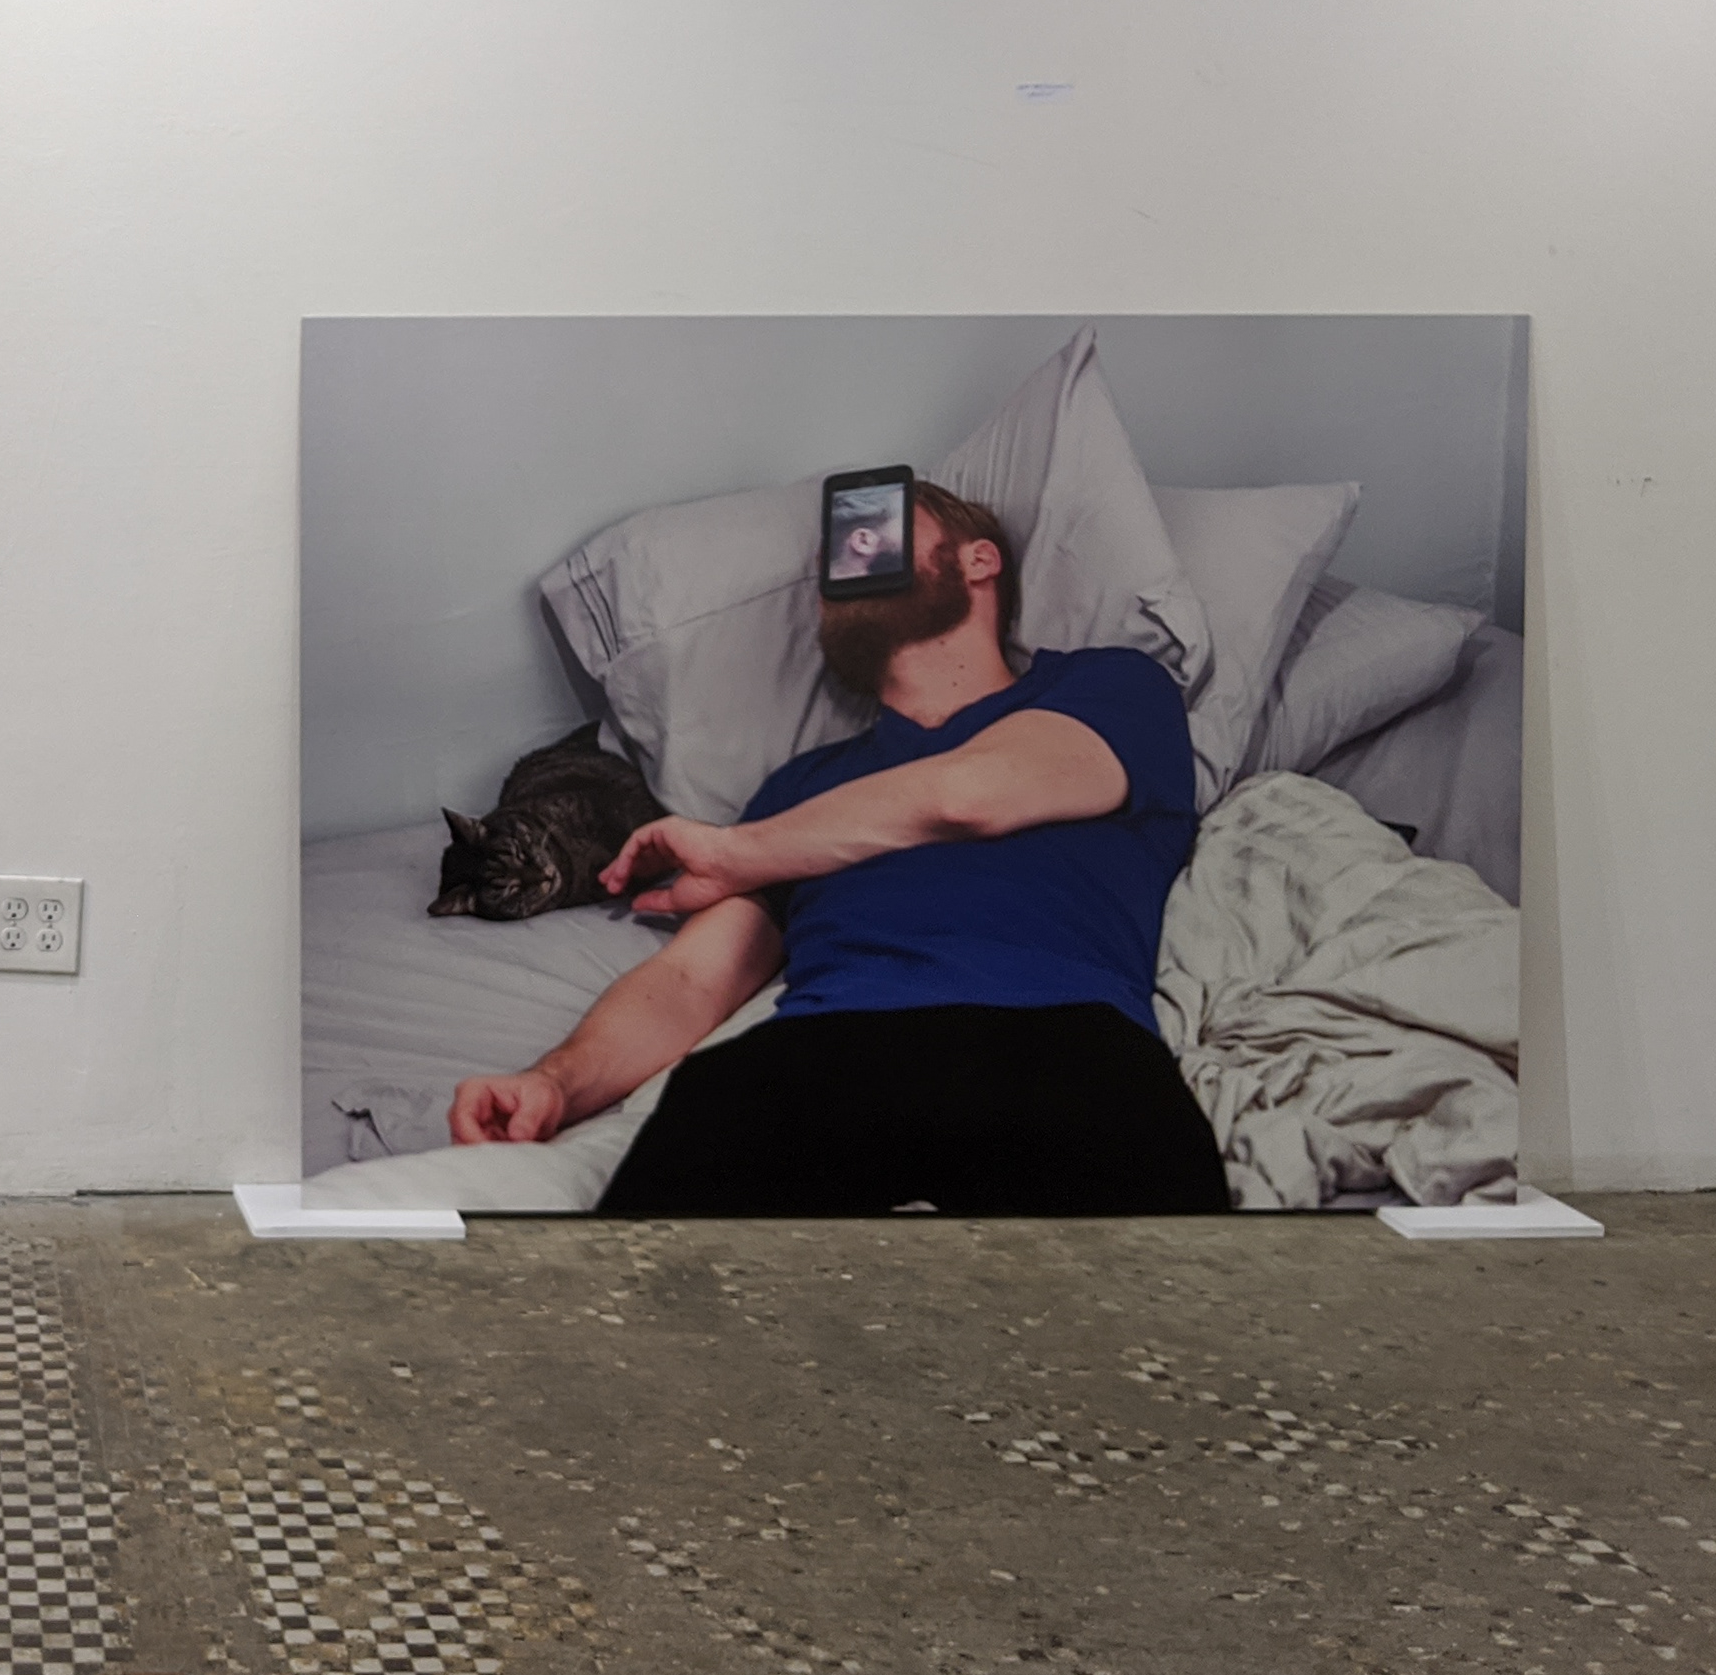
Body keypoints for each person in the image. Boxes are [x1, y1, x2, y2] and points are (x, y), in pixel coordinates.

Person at [445, 482, 1229, 1214]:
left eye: (874, 533)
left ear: (978, 560)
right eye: (833, 559)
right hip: (831, 1045)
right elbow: (689, 979)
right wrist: (555, 1082)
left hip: (1062, 1041)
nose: (846, 556)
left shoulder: (1107, 688)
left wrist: (741, 851)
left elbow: (969, 794)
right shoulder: (800, 788)